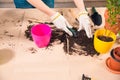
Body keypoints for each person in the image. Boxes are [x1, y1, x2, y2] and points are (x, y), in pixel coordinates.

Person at [14, 0, 92, 38]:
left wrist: (82, 11)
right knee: (27, 16)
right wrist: (52, 14)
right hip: (25, 2)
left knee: (45, 15)